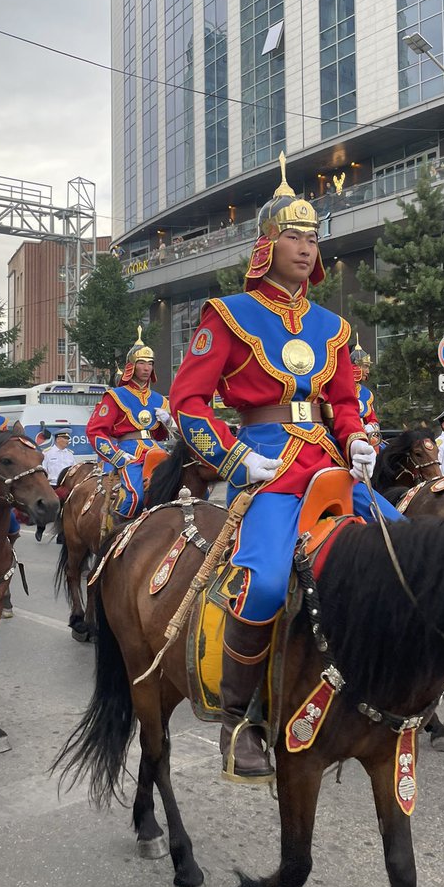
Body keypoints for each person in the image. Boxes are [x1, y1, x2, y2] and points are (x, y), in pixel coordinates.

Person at [170, 155, 401, 781]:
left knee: (403, 543)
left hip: (326, 462)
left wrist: (357, 440)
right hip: (267, 462)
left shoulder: (332, 326)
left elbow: (346, 402)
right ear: (267, 245)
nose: (307, 246)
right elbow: (187, 402)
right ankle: (239, 719)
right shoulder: (228, 314)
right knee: (267, 583)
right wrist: (236, 457)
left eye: (313, 235)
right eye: (295, 235)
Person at [86, 328, 174, 522]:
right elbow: (95, 431)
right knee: (136, 497)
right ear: (131, 366)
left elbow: (159, 436)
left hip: (155, 450)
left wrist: (168, 423)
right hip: (129, 452)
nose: (147, 368)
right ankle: (117, 532)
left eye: (150, 363)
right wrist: (116, 455)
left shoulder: (159, 399)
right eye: (142, 363)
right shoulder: (116, 396)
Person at [35, 431, 76, 540]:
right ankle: (40, 528)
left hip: (65, 486)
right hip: (51, 485)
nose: (67, 441)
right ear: (58, 439)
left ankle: (61, 535)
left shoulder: (70, 454)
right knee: (47, 509)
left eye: (68, 439)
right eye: (65, 438)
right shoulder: (47, 453)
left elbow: (73, 470)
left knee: (64, 511)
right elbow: (42, 469)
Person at [350, 337, 379, 432]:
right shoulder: (338, 389)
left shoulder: (366, 394)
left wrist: (370, 427)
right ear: (356, 367)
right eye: (365, 366)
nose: (368, 371)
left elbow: (374, 420)